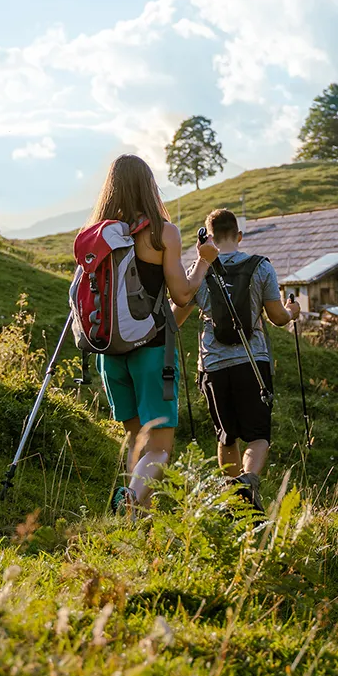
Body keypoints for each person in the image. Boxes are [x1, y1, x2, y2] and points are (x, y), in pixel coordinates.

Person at [87, 154, 218, 512]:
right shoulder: (161, 232)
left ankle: (133, 517)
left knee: (137, 443)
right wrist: (203, 260)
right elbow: (181, 293)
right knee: (159, 449)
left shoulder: (97, 236)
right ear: (149, 185)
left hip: (109, 352)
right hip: (152, 351)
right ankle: (129, 502)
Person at [176, 207, 300, 512]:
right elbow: (278, 317)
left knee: (227, 435)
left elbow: (175, 318)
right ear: (239, 236)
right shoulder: (261, 267)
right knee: (258, 435)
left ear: (208, 238)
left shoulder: (199, 269)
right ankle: (249, 482)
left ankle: (234, 502)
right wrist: (292, 311)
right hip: (253, 362)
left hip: (214, 365)